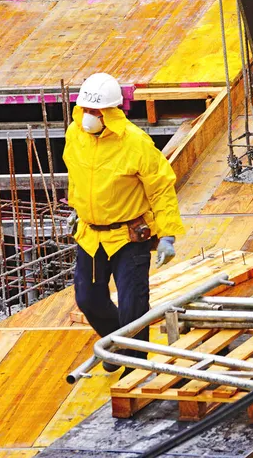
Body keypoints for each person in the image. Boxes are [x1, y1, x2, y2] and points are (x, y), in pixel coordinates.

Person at [63, 73, 184, 377]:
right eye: (86, 111)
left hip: (129, 237)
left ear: (112, 112)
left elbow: (161, 187)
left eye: (96, 112)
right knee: (87, 299)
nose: (89, 117)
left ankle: (135, 370)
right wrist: (78, 208)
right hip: (91, 236)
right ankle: (117, 345)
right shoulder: (74, 135)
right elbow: (77, 175)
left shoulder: (134, 143)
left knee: (133, 307)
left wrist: (167, 234)